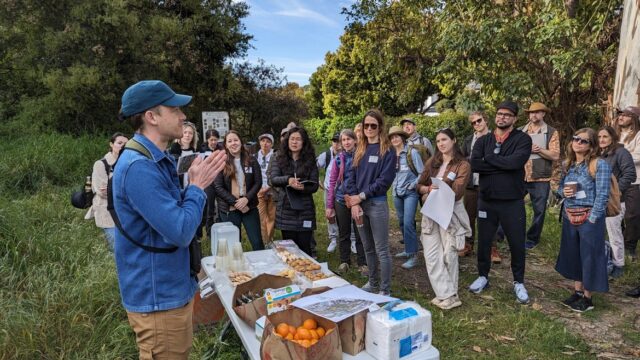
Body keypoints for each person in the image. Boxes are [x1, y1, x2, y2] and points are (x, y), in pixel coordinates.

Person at [113, 80, 226, 358]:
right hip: (158, 299)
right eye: (174, 109)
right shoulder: (139, 167)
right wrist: (197, 188)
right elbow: (180, 230)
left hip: (169, 289)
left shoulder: (155, 159)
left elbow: (173, 214)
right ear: (151, 117)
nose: (183, 116)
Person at [469, 100, 532, 304]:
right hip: (486, 199)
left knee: (516, 242)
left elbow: (516, 162)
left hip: (512, 201)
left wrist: (490, 161)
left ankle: (518, 281)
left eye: (507, 115)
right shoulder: (483, 141)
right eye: (499, 114)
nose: (502, 117)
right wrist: (501, 165)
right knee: (484, 240)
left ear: (514, 118)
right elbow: (475, 165)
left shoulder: (522, 139)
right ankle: (483, 276)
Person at [556, 128, 611, 312]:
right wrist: (562, 192)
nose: (578, 143)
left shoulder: (599, 164)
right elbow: (559, 189)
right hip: (570, 214)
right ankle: (577, 292)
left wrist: (594, 218)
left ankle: (588, 298)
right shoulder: (568, 164)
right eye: (575, 139)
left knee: (590, 257)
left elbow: (603, 194)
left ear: (591, 146)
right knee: (573, 254)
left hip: (589, 217)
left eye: (583, 141)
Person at [417, 128, 471, 310]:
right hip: (431, 211)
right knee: (431, 254)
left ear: (454, 140)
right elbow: (420, 185)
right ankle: (445, 294)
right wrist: (427, 190)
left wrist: (437, 189)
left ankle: (451, 295)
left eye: (444, 139)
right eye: (438, 140)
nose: (441, 143)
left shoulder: (462, 164)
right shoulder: (433, 162)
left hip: (450, 213)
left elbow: (457, 192)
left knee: (449, 254)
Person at [345, 109, 397, 296]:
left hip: (376, 204)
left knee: (381, 248)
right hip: (359, 204)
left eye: (373, 125)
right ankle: (373, 282)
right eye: (366, 125)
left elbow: (384, 180)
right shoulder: (360, 148)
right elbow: (350, 174)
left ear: (380, 127)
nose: (369, 129)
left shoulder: (388, 150)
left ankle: (385, 289)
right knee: (367, 247)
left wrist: (362, 196)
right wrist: (354, 200)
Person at [269, 127, 319, 256]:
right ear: (287, 141)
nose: (294, 142)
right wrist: (289, 180)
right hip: (286, 209)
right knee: (289, 249)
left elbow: (314, 185)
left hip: (305, 209)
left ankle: (307, 273)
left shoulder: (310, 159)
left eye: (298, 139)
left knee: (305, 247)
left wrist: (304, 187)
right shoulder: (278, 157)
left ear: (304, 142)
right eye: (292, 139)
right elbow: (273, 179)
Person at [460, 111, 502, 263]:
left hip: (489, 183)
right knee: (468, 216)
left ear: (486, 120)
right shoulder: (468, 139)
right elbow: (462, 159)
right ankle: (468, 244)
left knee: (489, 217)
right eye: (473, 122)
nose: (477, 124)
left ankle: (492, 248)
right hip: (471, 184)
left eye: (479, 120)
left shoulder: (496, 138)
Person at [519, 102, 560, 249]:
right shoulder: (520, 131)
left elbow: (555, 156)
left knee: (539, 210)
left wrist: (538, 149)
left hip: (540, 177)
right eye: (531, 112)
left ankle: (532, 239)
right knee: (510, 205)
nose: (533, 115)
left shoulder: (551, 132)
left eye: (537, 112)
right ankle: (503, 234)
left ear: (543, 114)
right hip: (520, 175)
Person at [214, 130, 264, 251]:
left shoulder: (251, 160)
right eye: (229, 141)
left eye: (236, 140)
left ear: (241, 142)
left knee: (257, 242)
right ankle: (236, 269)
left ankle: (261, 267)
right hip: (229, 209)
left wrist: (246, 199)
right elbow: (218, 187)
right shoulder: (221, 162)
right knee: (233, 244)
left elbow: (258, 182)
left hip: (249, 206)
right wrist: (236, 202)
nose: (233, 143)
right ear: (226, 145)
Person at [326, 129, 367, 274]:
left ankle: (363, 262)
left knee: (360, 231)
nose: (346, 142)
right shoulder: (338, 158)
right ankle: (344, 261)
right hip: (341, 199)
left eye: (349, 139)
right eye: (343, 140)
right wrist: (329, 205)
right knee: (344, 232)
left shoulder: (362, 156)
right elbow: (332, 182)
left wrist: (359, 198)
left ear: (355, 140)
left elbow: (365, 179)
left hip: (358, 199)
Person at [597, 126, 636, 278]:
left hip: (615, 202)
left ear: (612, 137)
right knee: (599, 233)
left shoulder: (621, 152)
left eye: (605, 137)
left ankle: (618, 265)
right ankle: (604, 262)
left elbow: (630, 174)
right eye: (599, 137)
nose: (601, 140)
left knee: (614, 233)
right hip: (598, 200)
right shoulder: (599, 154)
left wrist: (615, 192)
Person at [85, 132, 128, 250]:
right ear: (111, 144)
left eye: (126, 144)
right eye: (119, 143)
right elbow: (103, 192)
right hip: (107, 212)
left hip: (125, 213)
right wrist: (126, 190)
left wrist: (113, 188)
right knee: (115, 249)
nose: (122, 146)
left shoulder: (128, 163)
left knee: (125, 249)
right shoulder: (101, 164)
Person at [388, 125, 424, 269]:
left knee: (409, 223)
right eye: (392, 137)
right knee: (402, 222)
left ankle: (413, 255)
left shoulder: (411, 153)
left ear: (402, 137)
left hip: (410, 193)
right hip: (396, 193)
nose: (395, 139)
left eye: (397, 136)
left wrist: (413, 184)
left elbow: (422, 173)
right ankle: (407, 249)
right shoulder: (390, 155)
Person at [614, 105, 640, 260]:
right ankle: (618, 243)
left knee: (633, 214)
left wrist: (619, 156)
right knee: (614, 213)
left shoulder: (638, 135)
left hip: (635, 180)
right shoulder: (614, 134)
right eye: (619, 114)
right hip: (615, 179)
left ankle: (630, 246)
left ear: (634, 118)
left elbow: (638, 156)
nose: (620, 117)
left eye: (625, 114)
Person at [317, 133, 341, 253]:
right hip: (328, 189)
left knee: (346, 215)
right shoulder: (326, 155)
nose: (337, 144)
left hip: (343, 190)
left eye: (339, 141)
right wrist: (317, 181)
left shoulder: (348, 154)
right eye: (335, 141)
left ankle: (351, 239)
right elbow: (313, 167)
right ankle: (333, 239)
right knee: (330, 215)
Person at [201, 129, 223, 236]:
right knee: (210, 205)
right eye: (211, 140)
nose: (213, 142)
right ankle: (209, 231)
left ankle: (220, 228)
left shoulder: (222, 149)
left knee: (220, 205)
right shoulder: (202, 151)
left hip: (220, 181)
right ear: (207, 140)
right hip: (208, 182)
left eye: (215, 140)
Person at [256, 133, 276, 244]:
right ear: (259, 143)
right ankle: (264, 242)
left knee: (272, 217)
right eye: (263, 141)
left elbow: (277, 173)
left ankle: (269, 240)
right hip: (259, 191)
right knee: (261, 218)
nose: (265, 143)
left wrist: (269, 187)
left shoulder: (276, 156)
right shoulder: (254, 156)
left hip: (272, 190)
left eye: (268, 141)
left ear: (272, 144)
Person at [169, 121, 199, 189]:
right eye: (185, 132)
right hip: (177, 189)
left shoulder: (195, 152)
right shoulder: (172, 152)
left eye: (190, 133)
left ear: (193, 136)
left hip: (192, 187)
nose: (187, 135)